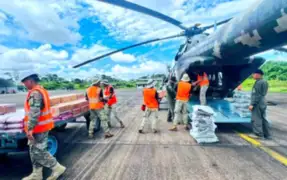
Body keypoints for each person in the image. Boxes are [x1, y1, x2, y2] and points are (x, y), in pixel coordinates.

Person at [21, 73, 66, 180]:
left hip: (38, 128)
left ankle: (57, 168)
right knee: (33, 151)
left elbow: (35, 112)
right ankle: (37, 174)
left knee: (39, 152)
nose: (24, 84)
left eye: (25, 82)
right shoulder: (40, 90)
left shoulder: (35, 93)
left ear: (30, 81)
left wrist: (30, 129)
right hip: (40, 126)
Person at [249, 69, 271, 139]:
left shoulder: (258, 83)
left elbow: (256, 95)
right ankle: (267, 134)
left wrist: (252, 104)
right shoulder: (264, 82)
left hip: (258, 103)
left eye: (254, 74)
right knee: (263, 118)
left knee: (256, 118)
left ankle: (258, 134)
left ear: (258, 74)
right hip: (263, 102)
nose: (253, 75)